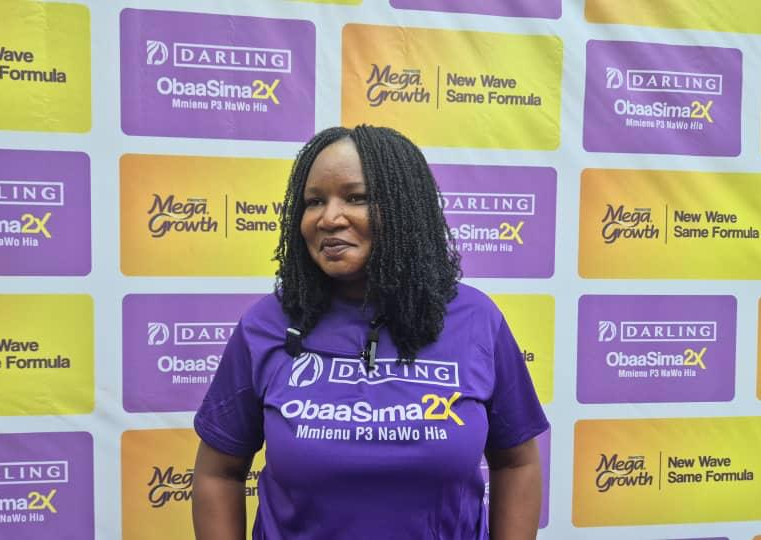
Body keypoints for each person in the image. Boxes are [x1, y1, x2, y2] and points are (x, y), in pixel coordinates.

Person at [192, 125, 548, 539]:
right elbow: (218, 473)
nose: (329, 218)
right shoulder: (267, 324)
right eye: (314, 201)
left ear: (404, 207)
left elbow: (516, 462)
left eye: (356, 197)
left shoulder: (475, 320)